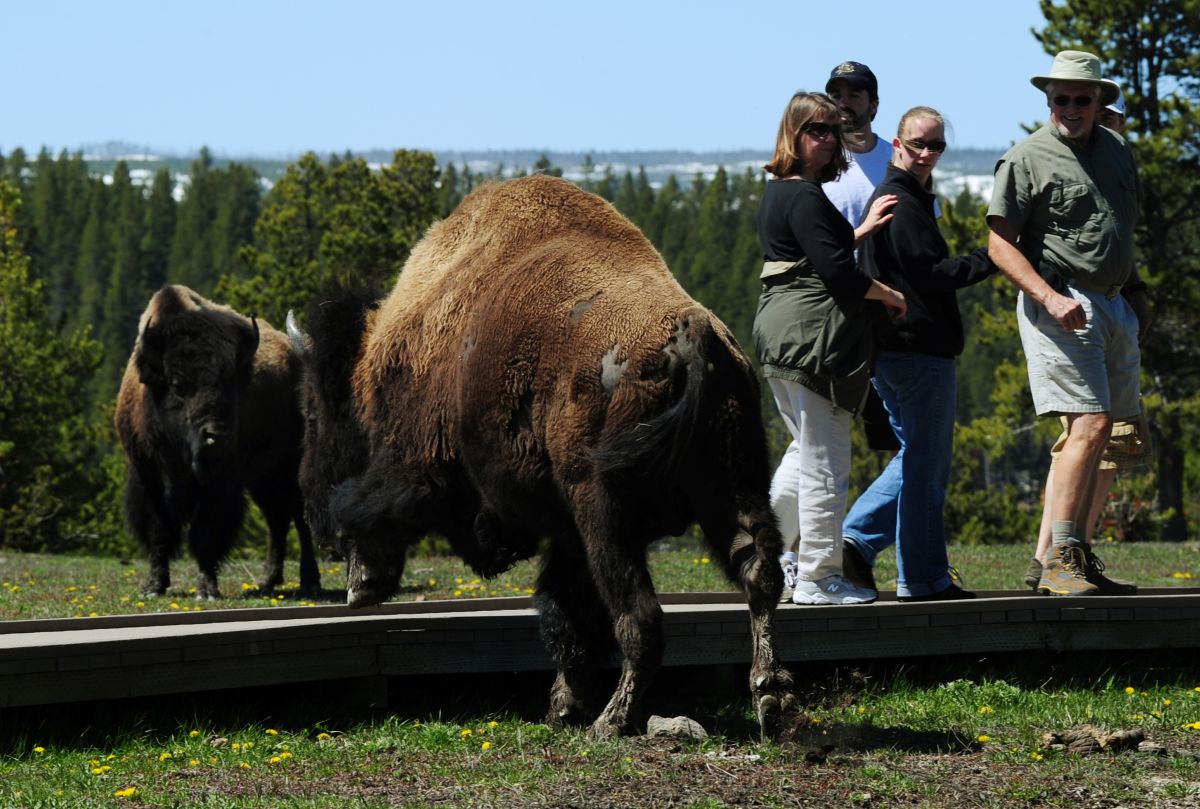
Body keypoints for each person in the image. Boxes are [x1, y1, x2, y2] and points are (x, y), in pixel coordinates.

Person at [986, 50, 1147, 596]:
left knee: (1109, 437)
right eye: (1061, 98)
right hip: (1063, 302)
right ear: (1047, 99)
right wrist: (1049, 298)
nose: (1071, 108)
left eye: (1082, 98)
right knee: (1091, 426)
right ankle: (1061, 557)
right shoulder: (1026, 158)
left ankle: (1061, 557)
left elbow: (1121, 227)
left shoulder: (1118, 150)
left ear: (1100, 100)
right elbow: (998, 245)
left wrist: (1134, 302)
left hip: (1114, 304)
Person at [753, 91, 906, 605]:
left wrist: (858, 231)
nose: (827, 138)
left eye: (833, 129)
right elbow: (840, 274)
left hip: (782, 335)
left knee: (803, 451)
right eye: (814, 129)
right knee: (826, 458)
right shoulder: (804, 196)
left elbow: (814, 253)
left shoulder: (780, 192)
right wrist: (889, 294)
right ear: (791, 135)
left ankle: (763, 557)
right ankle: (819, 577)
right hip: (815, 340)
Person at [839, 107, 997, 602]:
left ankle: (858, 542)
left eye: (937, 146)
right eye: (918, 144)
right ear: (897, 143)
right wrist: (992, 257)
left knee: (918, 459)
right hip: (917, 350)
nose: (927, 154)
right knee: (927, 468)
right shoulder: (903, 202)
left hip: (900, 349)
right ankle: (923, 578)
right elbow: (929, 274)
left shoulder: (902, 196)